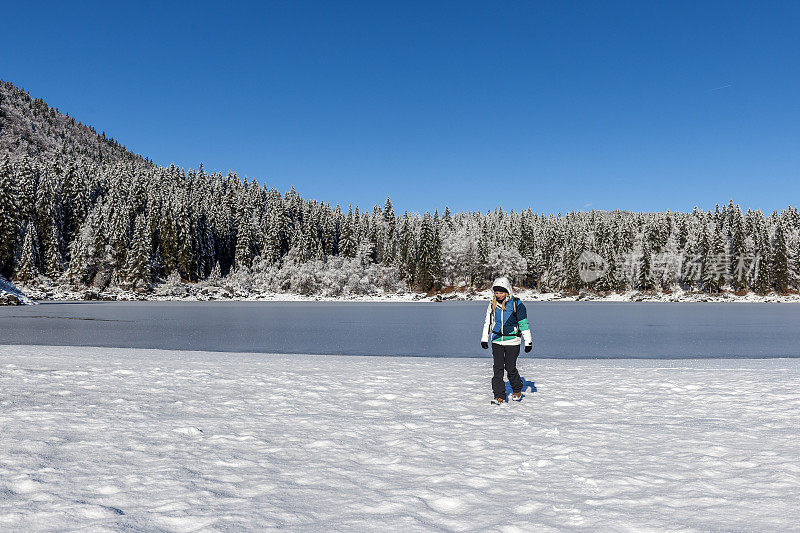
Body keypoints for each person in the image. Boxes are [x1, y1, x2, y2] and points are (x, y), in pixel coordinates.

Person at [480, 276, 533, 404]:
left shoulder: (517, 305)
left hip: (513, 341)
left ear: (507, 291)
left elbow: (523, 323)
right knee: (497, 369)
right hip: (497, 340)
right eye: (496, 292)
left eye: (501, 292)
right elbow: (488, 322)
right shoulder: (492, 305)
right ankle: (499, 396)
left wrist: (528, 341)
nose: (498, 295)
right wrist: (484, 339)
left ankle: (517, 388)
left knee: (510, 368)